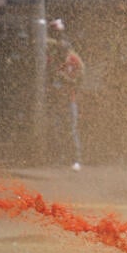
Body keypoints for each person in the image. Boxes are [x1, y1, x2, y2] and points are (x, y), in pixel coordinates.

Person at [46, 36, 85, 171]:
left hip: (69, 99)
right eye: (59, 51)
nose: (61, 53)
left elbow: (80, 77)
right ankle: (59, 157)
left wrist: (66, 79)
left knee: (71, 129)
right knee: (56, 128)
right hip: (56, 100)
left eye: (63, 51)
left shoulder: (74, 60)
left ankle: (76, 158)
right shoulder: (53, 61)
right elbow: (50, 77)